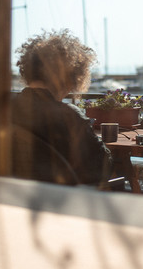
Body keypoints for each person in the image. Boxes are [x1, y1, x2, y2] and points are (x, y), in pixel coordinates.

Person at [12, 29, 112, 185]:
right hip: (61, 197)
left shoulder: (7, 106)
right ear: (71, 79)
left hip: (14, 193)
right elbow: (102, 167)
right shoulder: (69, 116)